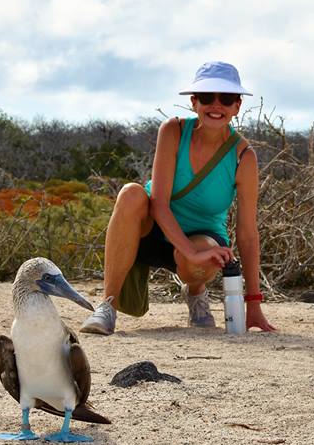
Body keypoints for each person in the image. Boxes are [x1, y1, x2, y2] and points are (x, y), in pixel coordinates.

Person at [80, 61, 276, 335]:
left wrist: (253, 304)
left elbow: (247, 233)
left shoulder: (244, 157)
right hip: (152, 229)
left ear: (237, 106)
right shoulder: (173, 131)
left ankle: (196, 292)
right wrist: (191, 251)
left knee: (205, 254)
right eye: (207, 97)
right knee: (130, 194)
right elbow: (159, 204)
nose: (216, 105)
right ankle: (107, 307)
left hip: (201, 238)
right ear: (194, 102)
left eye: (226, 98)